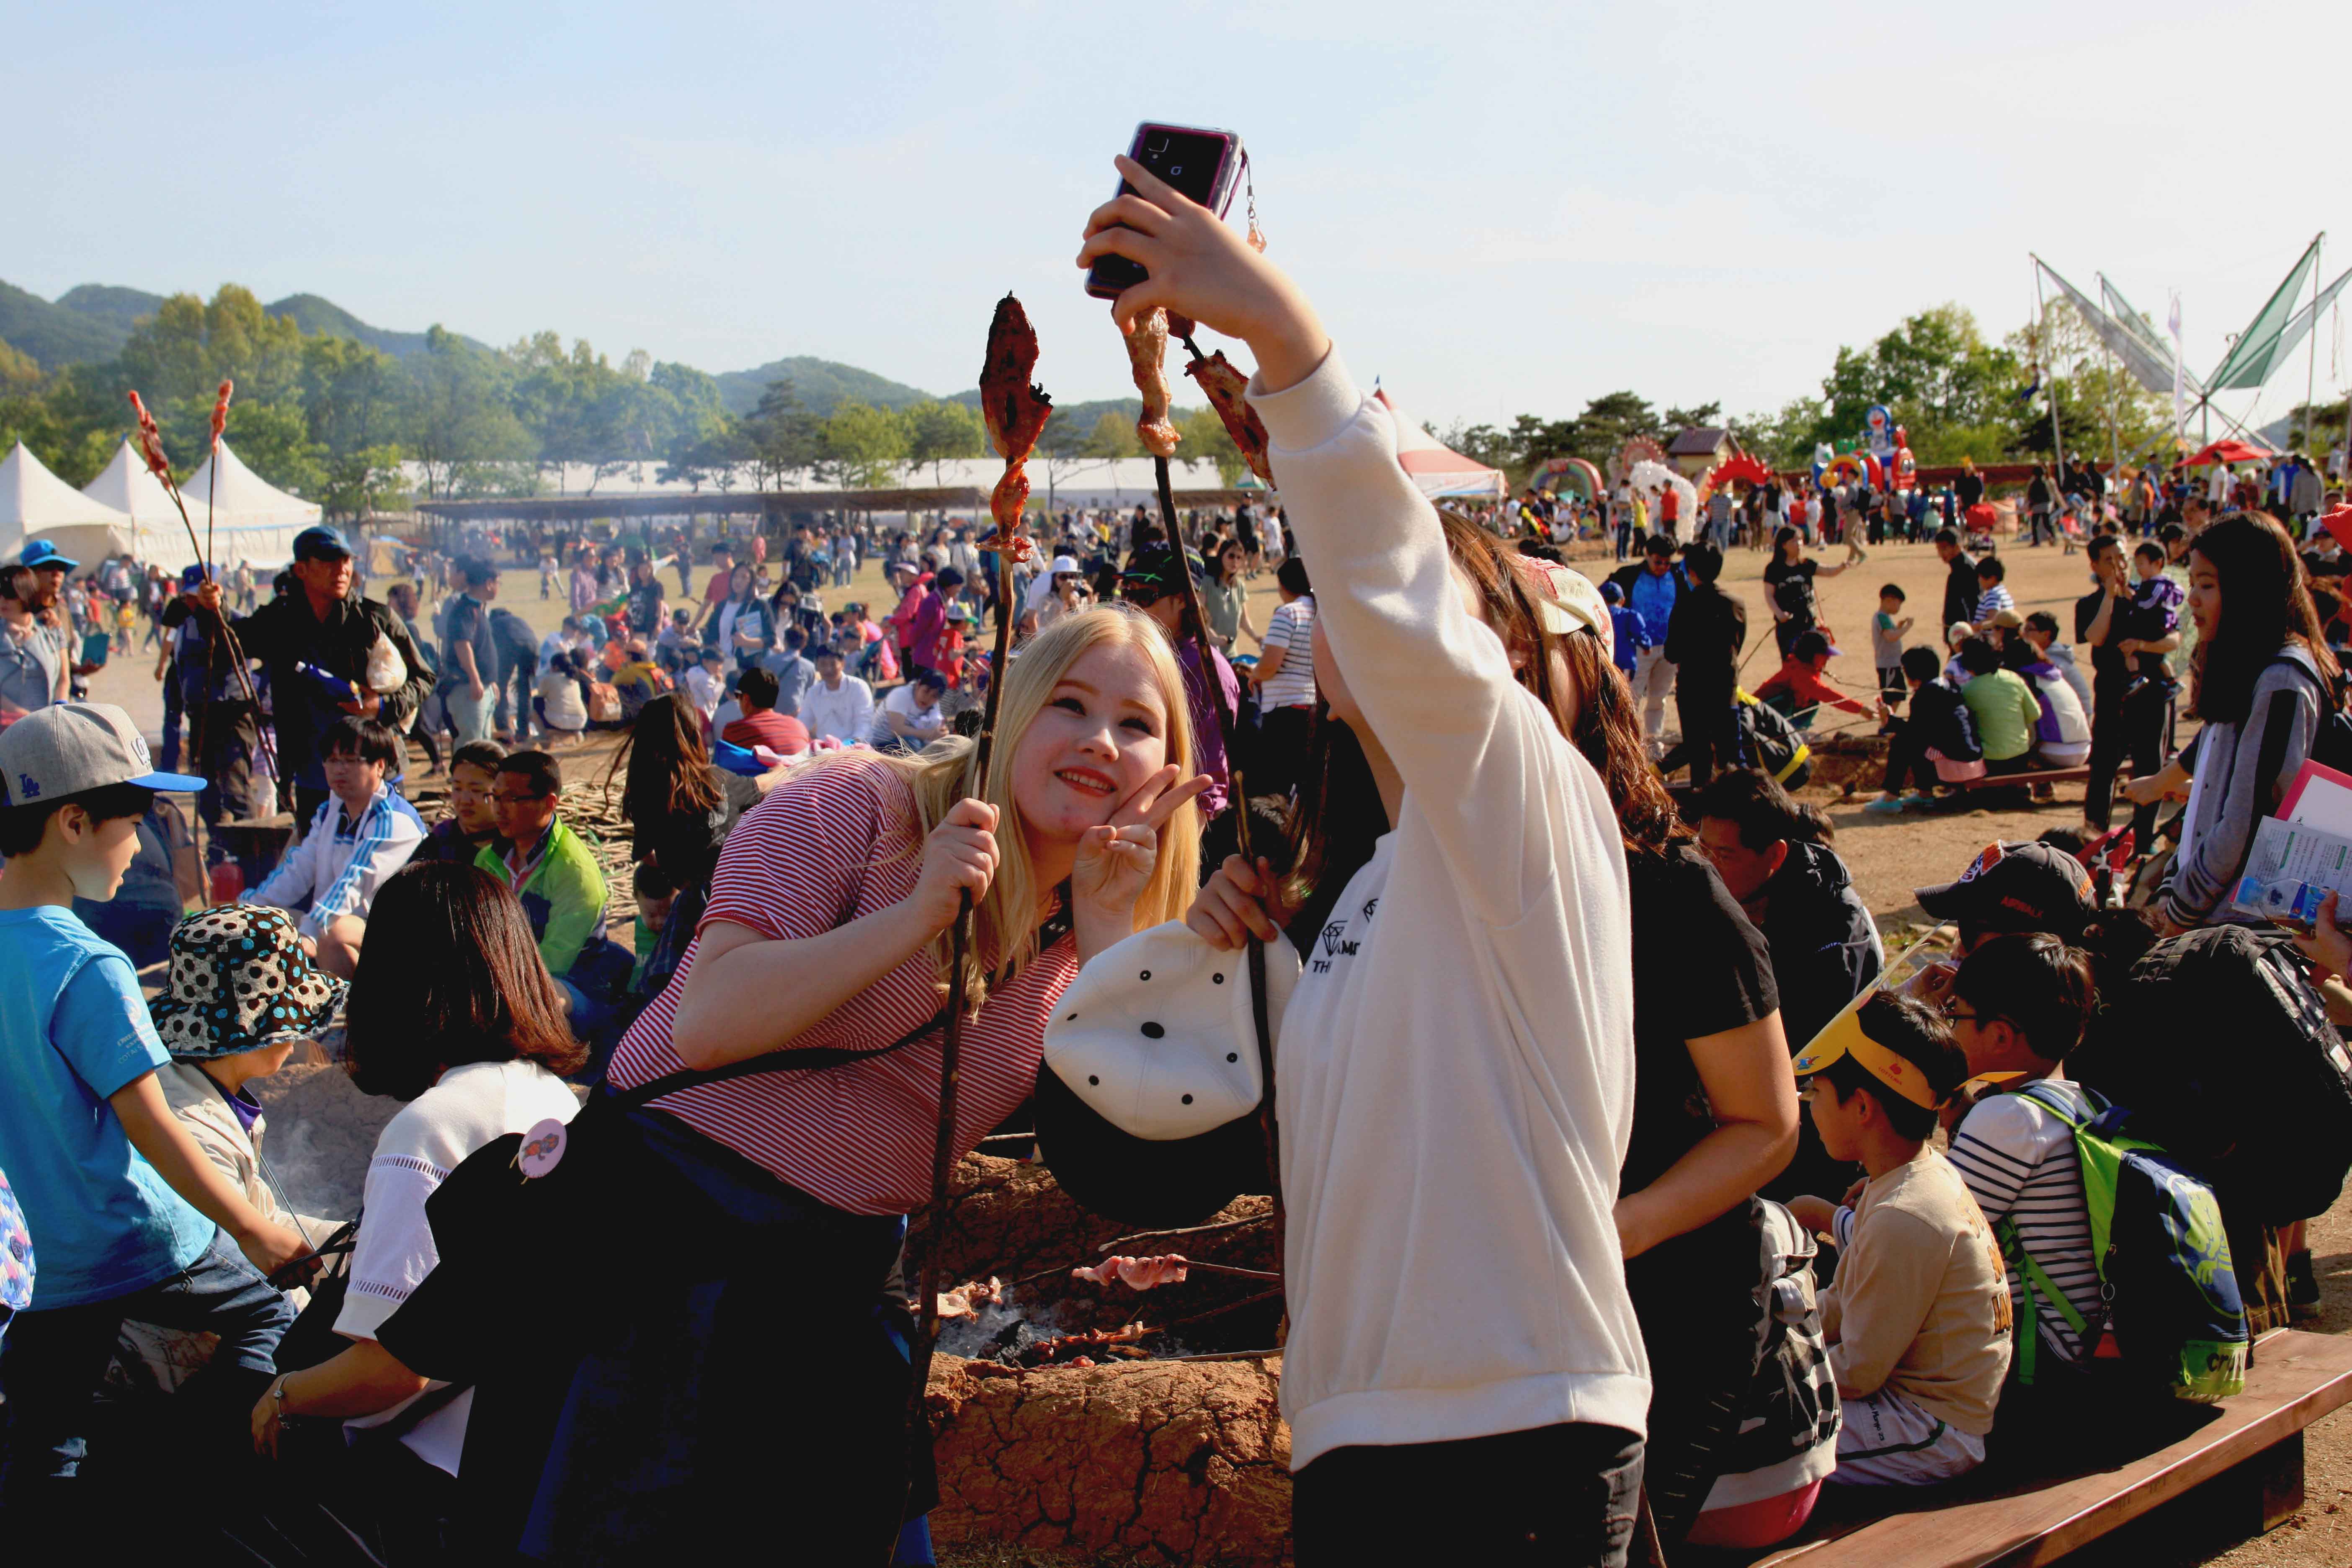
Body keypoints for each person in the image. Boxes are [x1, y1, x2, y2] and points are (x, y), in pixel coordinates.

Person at [1084, 168, 1648, 1565]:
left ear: (1501, 662)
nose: (1351, 604)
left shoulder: (1534, 813)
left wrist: (1291, 344)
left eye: (1417, 592)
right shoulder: (1379, 892)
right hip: (1360, 1433)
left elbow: (1399, 613)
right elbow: (1236, 1125)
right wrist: (1151, 928)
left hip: (1518, 1431)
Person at [518, 608, 1207, 1559]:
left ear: (1169, 767)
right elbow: (709, 1020)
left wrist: (1099, 929)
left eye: (1137, 724)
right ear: (1009, 713)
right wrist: (917, 915)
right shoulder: (858, 805)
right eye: (1069, 703)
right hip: (672, 1244)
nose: (1100, 738)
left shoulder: (1103, 922)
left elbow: (1123, 1164)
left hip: (839, 1279)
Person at [0, 703, 304, 1513]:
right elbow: (152, 1123)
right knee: (271, 1318)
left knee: (51, 1442)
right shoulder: (87, 963)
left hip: (52, 1255)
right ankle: (196, 1477)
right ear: (73, 821)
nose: (143, 847)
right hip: (142, 1233)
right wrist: (251, 1223)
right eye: (133, 824)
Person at [248, 863, 585, 1544]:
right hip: (525, 1459)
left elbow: (394, 1366)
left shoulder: (430, 1128)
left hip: (426, 1479)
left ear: (400, 978)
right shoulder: (551, 1101)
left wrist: (280, 1398)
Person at [1787, 993, 2009, 1485]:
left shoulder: (1904, 1213)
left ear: (1862, 1106)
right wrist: (1781, 1336)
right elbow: (1846, 1303)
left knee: (1746, 1446)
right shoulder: (1904, 1178)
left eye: (1816, 1094)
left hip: (1931, 1427)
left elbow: (1859, 1372)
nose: (1809, 1108)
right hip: (1902, 1401)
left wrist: (1777, 1373)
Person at [129, 905, 343, 1391]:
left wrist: (348, 1247)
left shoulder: (201, 1091)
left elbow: (261, 1220)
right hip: (168, 1370)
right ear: (255, 1025)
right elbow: (241, 1272)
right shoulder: (191, 1127)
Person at [1694, 768, 1882, 1204]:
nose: (1707, 865)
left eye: (1725, 855)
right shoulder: (1712, 894)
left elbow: (1809, 1056)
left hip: (1812, 1127)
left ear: (1775, 856)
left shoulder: (1833, 936)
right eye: (1703, 848)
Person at [1941, 932, 2105, 1418]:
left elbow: (1928, 1241)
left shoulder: (2007, 1119)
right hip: (2083, 1351)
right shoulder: (2079, 1101)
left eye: (1956, 1016)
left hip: (2042, 1369)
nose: (1949, 1029)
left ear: (1999, 1036)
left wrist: (1818, 1213)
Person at [2158, 513, 2339, 933]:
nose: (2193, 599)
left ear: (2247, 590)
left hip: (2237, 929)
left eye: (2208, 585)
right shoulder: (2244, 668)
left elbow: (2248, 822)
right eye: (2194, 583)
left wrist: (2179, 909)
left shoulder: (2281, 682)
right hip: (2210, 912)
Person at [189, 527, 433, 828]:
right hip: (312, 774)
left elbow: (424, 677)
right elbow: (230, 647)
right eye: (330, 561)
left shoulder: (374, 618)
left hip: (377, 770)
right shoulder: (279, 620)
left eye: (346, 561)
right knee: (320, 867)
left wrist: (381, 707)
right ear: (301, 569)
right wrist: (213, 609)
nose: (342, 569)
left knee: (385, 865)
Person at [241, 717, 429, 978]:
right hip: (347, 923)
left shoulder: (394, 820)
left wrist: (309, 933)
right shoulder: (329, 812)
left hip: (402, 938)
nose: (339, 769)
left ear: (380, 766)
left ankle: (357, 1011)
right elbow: (297, 871)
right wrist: (247, 911)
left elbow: (353, 882)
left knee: (332, 932)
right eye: (332, 760)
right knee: (267, 923)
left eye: (351, 761)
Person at [477, 749, 616, 1023]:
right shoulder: (488, 860)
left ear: (549, 803)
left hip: (577, 990)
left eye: (513, 799)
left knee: (546, 996)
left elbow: (554, 963)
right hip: (503, 985)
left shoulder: (574, 871)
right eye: (496, 797)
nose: (499, 808)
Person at [1119, 544, 1242, 820]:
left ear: (1185, 599)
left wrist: (1179, 857)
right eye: (1127, 593)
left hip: (1167, 825)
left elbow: (1208, 783)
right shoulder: (1129, 654)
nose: (1132, 606)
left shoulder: (1208, 673)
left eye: (1145, 596)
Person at [2079, 534, 2179, 846]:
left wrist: (2143, 645)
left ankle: (2144, 837)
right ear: (2095, 565)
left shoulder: (2148, 597)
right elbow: (2095, 638)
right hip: (2111, 692)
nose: (2119, 565)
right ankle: (2094, 837)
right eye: (2109, 560)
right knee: (2103, 769)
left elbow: (2173, 639)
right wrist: (2110, 597)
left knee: (2150, 765)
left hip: (2149, 692)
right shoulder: (2090, 604)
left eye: (2122, 557)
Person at [1664, 541, 1749, 789]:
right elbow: (1738, 644)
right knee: (1732, 755)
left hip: (1693, 691)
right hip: (1725, 688)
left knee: (1699, 759)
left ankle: (1706, 817)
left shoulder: (1685, 606)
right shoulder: (1735, 604)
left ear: (1691, 572)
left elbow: (1672, 653)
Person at [1251, 555, 1318, 798]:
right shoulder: (1322, 613)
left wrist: (1254, 675)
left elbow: (1270, 665)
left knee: (1273, 789)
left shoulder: (1288, 613)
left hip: (1285, 712)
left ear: (1283, 585)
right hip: (1313, 708)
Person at [1610, 535, 1686, 742]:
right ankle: (1627, 742)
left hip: (1669, 650)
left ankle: (1654, 743)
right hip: (1638, 650)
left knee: (1658, 700)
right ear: (1647, 556)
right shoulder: (1628, 576)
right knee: (1631, 698)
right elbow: (1606, 596)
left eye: (1667, 562)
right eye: (1658, 561)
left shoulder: (1679, 577)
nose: (1663, 567)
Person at [1955, 636, 2045, 777]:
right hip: (2021, 755)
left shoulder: (1967, 691)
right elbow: (2035, 714)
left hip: (1990, 761)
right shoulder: (2014, 678)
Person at [1756, 629, 1877, 731]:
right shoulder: (1799, 674)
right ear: (1811, 655)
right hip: (1757, 718)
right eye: (1824, 655)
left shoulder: (1808, 669)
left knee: (1812, 701)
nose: (1828, 658)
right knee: (1788, 700)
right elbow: (1828, 695)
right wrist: (1860, 709)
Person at [439, 557, 501, 747]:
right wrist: (475, 679)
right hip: (468, 688)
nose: (498, 587)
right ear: (489, 584)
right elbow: (462, 646)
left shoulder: (479, 610)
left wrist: (491, 683)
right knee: (471, 744)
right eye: (497, 582)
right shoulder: (465, 610)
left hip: (482, 687)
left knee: (483, 744)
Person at [1763, 526, 1850, 659]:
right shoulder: (1774, 569)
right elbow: (1769, 595)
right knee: (1792, 664)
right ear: (1784, 545)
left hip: (1809, 623)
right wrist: (1780, 614)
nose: (1799, 544)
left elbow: (1828, 572)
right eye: (1794, 541)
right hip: (1788, 627)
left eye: (1800, 541)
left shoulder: (1806, 565)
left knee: (1811, 663)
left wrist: (1841, 567)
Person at [417, 739, 507, 866]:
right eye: (457, 789)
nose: (464, 801)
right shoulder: (441, 842)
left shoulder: (519, 847)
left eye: (476, 791)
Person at [1, 563, 69, 725]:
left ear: (26, 594)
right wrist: (25, 717)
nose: (3, 601)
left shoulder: (51, 629)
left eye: (10, 595)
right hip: (9, 729)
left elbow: (64, 677)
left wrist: (59, 710)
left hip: (54, 724)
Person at [721, 665, 812, 759]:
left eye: (739, 696)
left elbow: (726, 770)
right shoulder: (799, 726)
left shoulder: (734, 731)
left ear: (746, 699)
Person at [802, 642, 875, 748]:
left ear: (843, 664)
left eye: (833, 664)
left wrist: (851, 745)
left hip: (857, 750)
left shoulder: (859, 687)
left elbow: (864, 724)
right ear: (817, 666)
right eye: (823, 664)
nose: (828, 669)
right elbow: (803, 723)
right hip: (825, 751)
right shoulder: (813, 692)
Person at [2021, 609, 2094, 714]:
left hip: (2075, 714)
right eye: (2024, 629)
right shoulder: (2050, 654)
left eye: (2029, 630)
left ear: (2046, 634)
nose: (2024, 634)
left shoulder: (2053, 662)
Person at [709, 562, 776, 674]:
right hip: (722, 665)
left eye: (744, 577)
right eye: (735, 576)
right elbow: (711, 633)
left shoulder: (759, 606)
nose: (738, 581)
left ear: (752, 582)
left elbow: (771, 639)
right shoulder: (722, 605)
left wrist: (747, 642)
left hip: (748, 668)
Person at [869, 666, 950, 754]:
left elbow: (935, 726)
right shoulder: (901, 695)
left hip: (914, 742)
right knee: (913, 744)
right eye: (926, 691)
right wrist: (929, 734)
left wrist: (941, 732)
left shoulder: (934, 705)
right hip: (880, 745)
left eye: (934, 696)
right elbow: (897, 731)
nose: (928, 698)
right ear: (918, 685)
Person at [1202, 538, 1257, 655]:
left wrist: (1256, 637)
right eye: (1231, 556)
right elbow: (1198, 617)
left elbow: (1244, 620)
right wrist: (1213, 638)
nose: (1235, 561)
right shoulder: (1207, 583)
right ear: (1221, 555)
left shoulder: (1240, 586)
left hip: (1232, 653)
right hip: (1210, 652)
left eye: (1239, 558)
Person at [1872, 585, 1913, 711]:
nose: (1899, 608)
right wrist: (1907, 628)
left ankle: (1889, 720)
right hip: (1888, 665)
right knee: (1892, 697)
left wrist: (1898, 628)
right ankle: (1887, 722)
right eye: (1898, 604)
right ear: (1889, 600)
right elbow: (1891, 637)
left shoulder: (1884, 617)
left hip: (1892, 664)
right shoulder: (1882, 617)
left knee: (1898, 694)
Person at [680, 643, 725, 734]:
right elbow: (712, 698)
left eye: (721, 664)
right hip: (704, 715)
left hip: (693, 711)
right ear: (705, 662)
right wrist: (720, 683)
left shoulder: (694, 671)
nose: (719, 668)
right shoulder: (704, 678)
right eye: (715, 664)